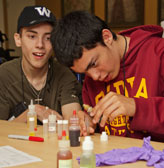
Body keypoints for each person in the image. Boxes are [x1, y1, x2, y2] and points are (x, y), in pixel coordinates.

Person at [51, 10, 164, 142]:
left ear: (107, 37)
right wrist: (89, 122)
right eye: (84, 73)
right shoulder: (91, 79)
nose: (94, 77)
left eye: (93, 63)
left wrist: (136, 107)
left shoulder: (159, 53)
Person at [0, 6, 82, 123]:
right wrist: (33, 112)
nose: (40, 44)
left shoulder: (64, 73)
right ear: (18, 39)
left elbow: (73, 120)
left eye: (48, 38)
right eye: (32, 36)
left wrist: (75, 121)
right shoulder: (4, 74)